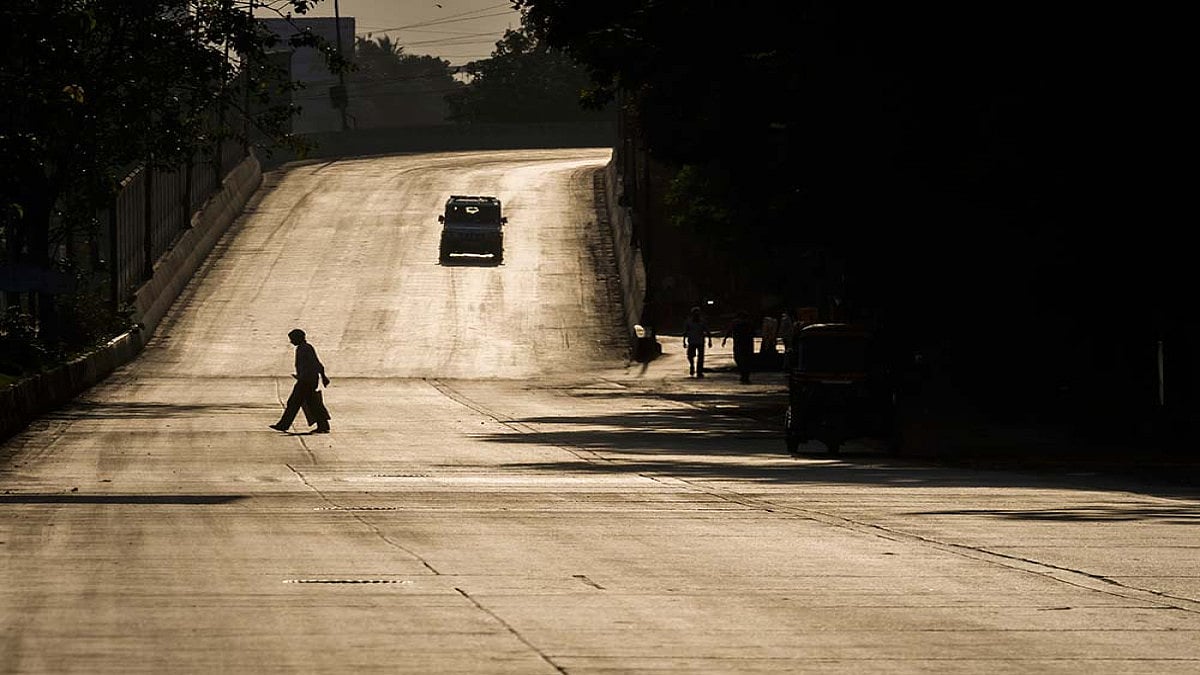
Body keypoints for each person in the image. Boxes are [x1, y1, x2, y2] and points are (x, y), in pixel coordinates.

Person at [270, 328, 331, 433]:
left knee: (293, 402)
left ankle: (284, 424)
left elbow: (316, 363)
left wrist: (323, 376)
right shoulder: (304, 348)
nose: (291, 341)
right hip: (307, 380)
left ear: (299, 338)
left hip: (306, 381)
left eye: (292, 339)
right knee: (313, 403)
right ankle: (323, 425)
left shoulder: (305, 348)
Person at [722, 311, 756, 383]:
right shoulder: (748, 323)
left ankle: (743, 374)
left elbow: (729, 331)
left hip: (739, 343)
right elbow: (754, 332)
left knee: (739, 358)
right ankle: (745, 375)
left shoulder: (735, 323)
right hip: (747, 343)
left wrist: (725, 339)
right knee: (747, 359)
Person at [682, 306, 712, 378]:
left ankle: (699, 371)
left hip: (700, 341)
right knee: (690, 356)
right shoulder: (689, 322)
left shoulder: (702, 322)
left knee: (700, 357)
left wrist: (710, 340)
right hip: (692, 341)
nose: (696, 315)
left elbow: (707, 331)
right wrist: (684, 341)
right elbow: (685, 332)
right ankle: (692, 365)